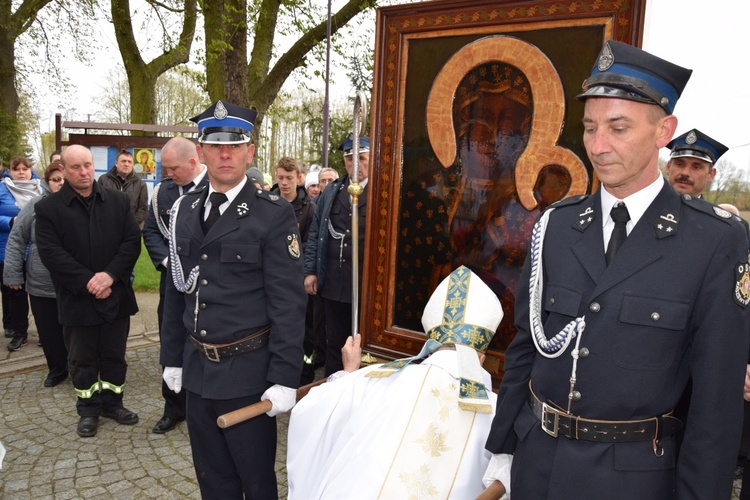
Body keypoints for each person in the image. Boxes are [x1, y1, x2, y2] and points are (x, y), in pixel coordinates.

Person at [483, 40, 750, 499]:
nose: (598, 146)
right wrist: (503, 452)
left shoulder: (714, 242)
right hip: (537, 466)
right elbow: (525, 350)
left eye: (618, 127)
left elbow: (716, 404)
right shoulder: (557, 226)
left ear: (664, 130)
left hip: (633, 480)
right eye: (590, 128)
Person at [159, 100, 306, 498]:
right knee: (213, 480)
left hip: (247, 374)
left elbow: (288, 304)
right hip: (196, 369)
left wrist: (284, 377)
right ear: (202, 152)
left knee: (255, 482)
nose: (226, 154)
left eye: (236, 145)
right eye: (216, 146)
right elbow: (176, 289)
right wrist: (171, 357)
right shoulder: (184, 208)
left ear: (250, 152)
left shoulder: (272, 214)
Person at [288, 266, 504, 498]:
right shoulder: (495, 411)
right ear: (480, 358)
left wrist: (349, 372)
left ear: (432, 347)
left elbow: (315, 409)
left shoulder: (384, 378)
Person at [35, 145, 141, 438]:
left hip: (115, 296)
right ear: (63, 169)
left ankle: (113, 403)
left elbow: (131, 243)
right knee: (82, 360)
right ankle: (88, 409)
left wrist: (109, 277)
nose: (83, 172)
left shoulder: (118, 201)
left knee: (114, 356)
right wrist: (88, 282)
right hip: (77, 299)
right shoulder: (47, 209)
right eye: (75, 167)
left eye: (87, 165)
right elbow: (51, 254)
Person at [142, 136, 208, 434]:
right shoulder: (162, 194)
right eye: (165, 168)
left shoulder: (215, 187)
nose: (167, 174)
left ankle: (202, 406)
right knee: (172, 337)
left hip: (209, 284)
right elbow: (152, 231)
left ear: (193, 162)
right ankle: (173, 406)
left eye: (172, 168)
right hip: (172, 282)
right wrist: (169, 263)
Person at [304, 135, 370, 375]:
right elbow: (316, 232)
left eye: (362, 159)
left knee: (364, 344)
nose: (356, 165)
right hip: (333, 281)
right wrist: (311, 270)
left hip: (366, 285)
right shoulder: (332, 191)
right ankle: (333, 388)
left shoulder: (380, 192)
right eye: (351, 159)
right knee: (334, 342)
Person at [3, 163, 68, 385]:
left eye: (63, 179)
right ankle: (57, 369)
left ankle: (79, 367)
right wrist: (12, 274)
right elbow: (16, 238)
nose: (60, 183)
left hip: (73, 282)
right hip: (42, 281)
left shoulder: (80, 204)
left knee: (74, 330)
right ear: (47, 183)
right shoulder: (36, 205)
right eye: (55, 179)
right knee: (49, 332)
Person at [271, 156, 317, 383]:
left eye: (289, 178)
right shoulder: (267, 203)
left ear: (299, 178)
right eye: (280, 177)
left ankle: (304, 372)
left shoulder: (310, 210)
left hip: (297, 280)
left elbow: (310, 245)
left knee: (303, 328)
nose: (284, 183)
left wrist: (286, 248)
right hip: (270, 278)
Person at [1, 156, 43, 350]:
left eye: (24, 168)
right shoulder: (2, 189)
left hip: (36, 252)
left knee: (39, 294)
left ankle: (45, 331)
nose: (21, 172)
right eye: (16, 169)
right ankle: (19, 333)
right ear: (9, 171)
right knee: (15, 293)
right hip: (9, 249)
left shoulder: (40, 188)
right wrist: (9, 221)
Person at [665, 128, 728, 197]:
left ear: (711, 174)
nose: (685, 173)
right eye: (680, 164)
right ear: (668, 167)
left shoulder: (709, 208)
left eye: (696, 167)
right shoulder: (651, 203)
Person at [97, 149, 148, 228]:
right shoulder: (103, 180)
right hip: (107, 226)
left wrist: (131, 223)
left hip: (131, 227)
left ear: (132, 165)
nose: (126, 164)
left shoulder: (141, 184)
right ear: (116, 164)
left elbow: (143, 208)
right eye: (123, 161)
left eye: (129, 162)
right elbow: (97, 204)